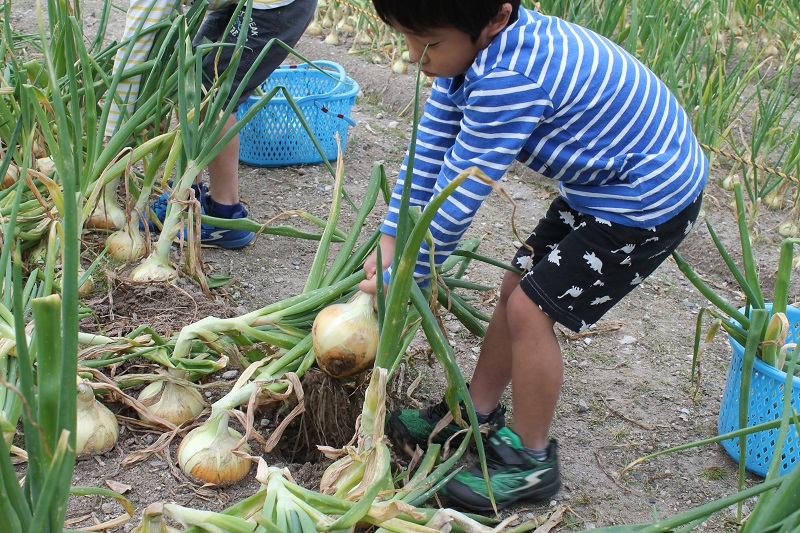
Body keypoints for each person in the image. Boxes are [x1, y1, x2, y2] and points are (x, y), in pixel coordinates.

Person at [359, 0, 708, 513]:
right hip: (601, 189)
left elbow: (462, 187)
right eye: (406, 38)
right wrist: (391, 241)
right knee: (512, 289)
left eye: (428, 43)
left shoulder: (512, 78)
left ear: (496, 20)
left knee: (529, 308)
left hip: (645, 200)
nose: (415, 57)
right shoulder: (469, 48)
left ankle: (532, 462)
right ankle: (472, 415)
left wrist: (414, 269)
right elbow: (430, 148)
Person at [106, 0, 317, 249]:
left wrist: (114, 130)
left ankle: (225, 216)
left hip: (275, 8)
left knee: (215, 95)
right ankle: (186, 195)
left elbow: (137, 44)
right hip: (244, 3)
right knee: (192, 74)